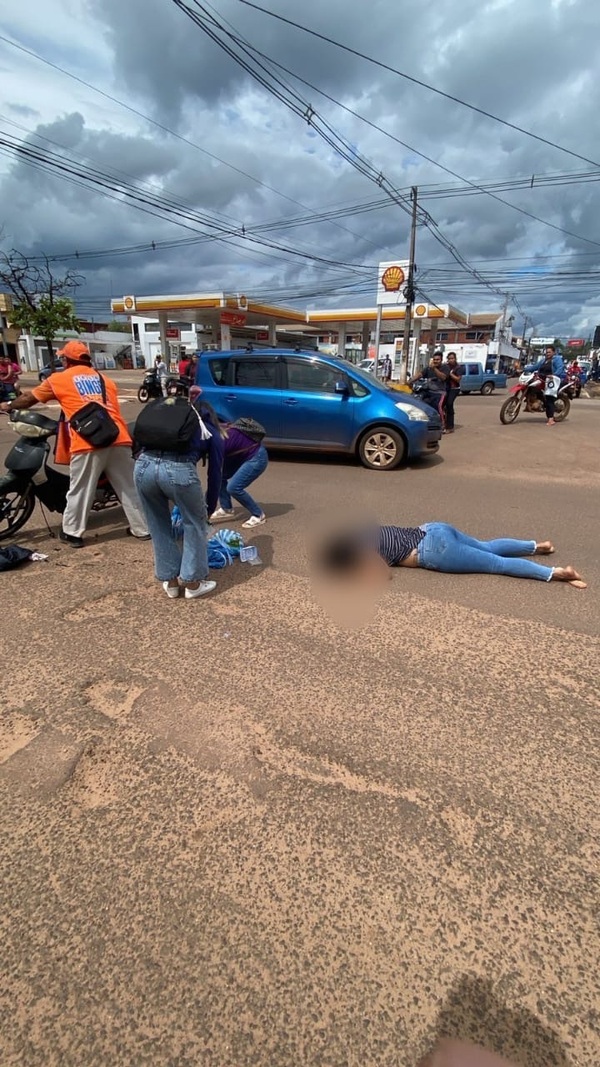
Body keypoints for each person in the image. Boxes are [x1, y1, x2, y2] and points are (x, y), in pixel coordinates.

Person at [0, 340, 149, 548]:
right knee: (128, 487)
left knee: (80, 489)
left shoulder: (59, 378)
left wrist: (8, 405)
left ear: (66, 360)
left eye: (62, 358)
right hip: (118, 437)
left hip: (88, 440)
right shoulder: (105, 380)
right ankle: (142, 529)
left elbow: (28, 399)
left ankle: (72, 533)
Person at [133, 396, 224, 599]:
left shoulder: (164, 422)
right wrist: (208, 508)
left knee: (158, 524)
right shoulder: (209, 430)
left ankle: (171, 583)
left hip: (143, 466)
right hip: (179, 470)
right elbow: (215, 473)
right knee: (194, 524)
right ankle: (192, 584)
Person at [315, 522, 586, 588]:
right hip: (433, 528)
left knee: (495, 564)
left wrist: (358, 577)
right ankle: (537, 545)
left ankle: (558, 573)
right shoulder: (363, 532)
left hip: (434, 551)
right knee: (488, 545)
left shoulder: (362, 551)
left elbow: (383, 574)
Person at [204, 404, 268, 528]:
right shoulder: (213, 431)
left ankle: (258, 514)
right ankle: (227, 509)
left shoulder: (218, 443)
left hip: (256, 458)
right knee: (222, 477)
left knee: (233, 488)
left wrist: (206, 513)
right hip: (240, 455)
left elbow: (212, 480)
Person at [409, 351, 449, 424]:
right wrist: (410, 381)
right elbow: (420, 374)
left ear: (441, 360)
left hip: (440, 393)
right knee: (419, 402)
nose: (435, 361)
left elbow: (443, 377)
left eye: (437, 360)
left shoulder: (445, 367)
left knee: (438, 406)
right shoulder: (428, 368)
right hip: (429, 391)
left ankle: (442, 424)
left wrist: (434, 369)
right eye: (434, 359)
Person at [531, 344, 565, 425]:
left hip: (552, 380)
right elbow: (535, 367)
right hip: (542, 379)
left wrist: (554, 375)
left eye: (549, 352)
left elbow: (560, 368)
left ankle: (551, 419)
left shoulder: (557, 359)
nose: (547, 354)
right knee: (531, 387)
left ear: (554, 352)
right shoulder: (543, 360)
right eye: (546, 352)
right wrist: (523, 369)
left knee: (549, 398)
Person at [444, 352, 463, 433]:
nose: (451, 360)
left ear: (455, 359)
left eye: (452, 358)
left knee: (449, 404)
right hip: (446, 388)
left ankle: (450, 427)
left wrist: (450, 374)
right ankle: (444, 423)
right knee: (443, 405)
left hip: (454, 388)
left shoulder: (458, 368)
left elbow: (458, 379)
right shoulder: (446, 366)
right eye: (449, 358)